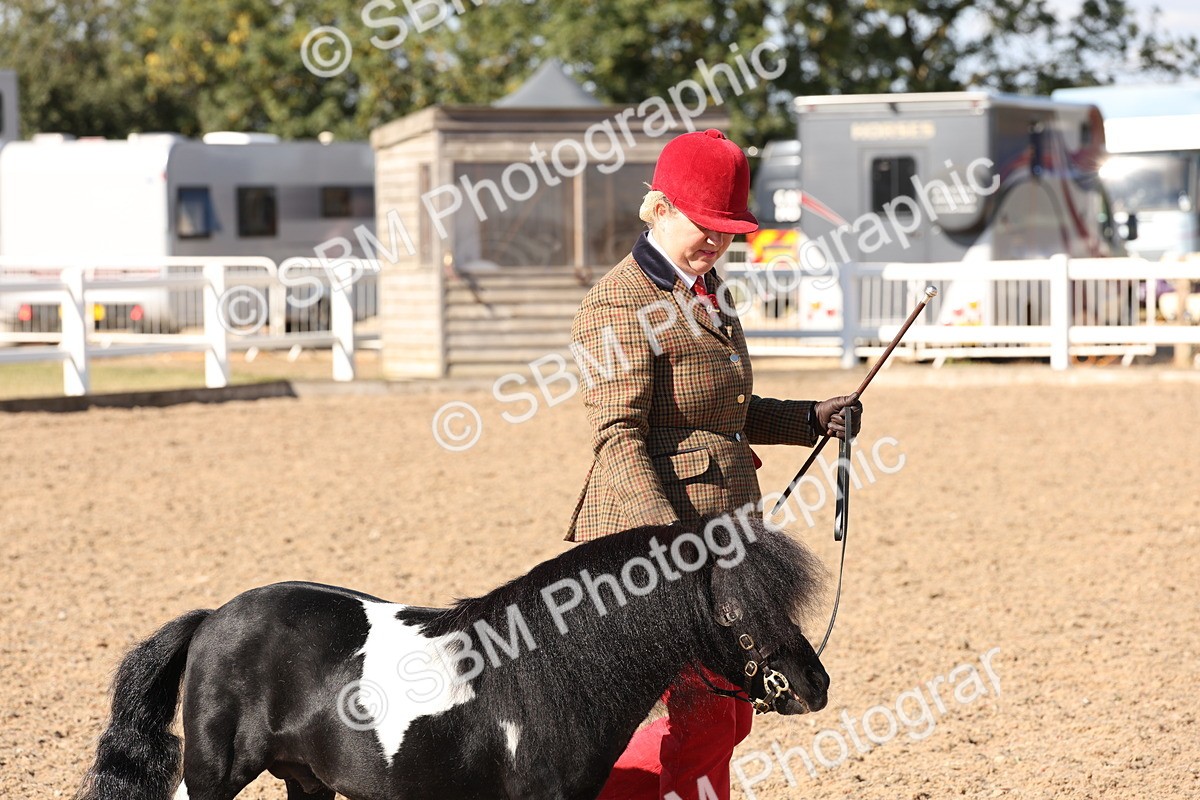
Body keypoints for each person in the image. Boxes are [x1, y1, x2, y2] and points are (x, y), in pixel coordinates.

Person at [565, 128, 861, 800]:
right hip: (653, 548)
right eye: (707, 226)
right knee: (697, 719)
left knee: (726, 718)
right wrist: (666, 545)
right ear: (660, 208)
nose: (718, 243)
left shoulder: (707, 290)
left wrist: (811, 417)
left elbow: (724, 411)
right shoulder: (618, 303)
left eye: (729, 230)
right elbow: (617, 436)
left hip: (722, 540)